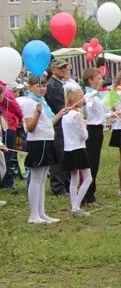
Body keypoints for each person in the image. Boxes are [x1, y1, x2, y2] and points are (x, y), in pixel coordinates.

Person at [21, 75, 66, 223]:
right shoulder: (29, 102)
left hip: (47, 141)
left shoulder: (42, 102)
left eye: (44, 85)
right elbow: (30, 128)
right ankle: (33, 215)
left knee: (42, 179)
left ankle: (41, 213)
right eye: (38, 85)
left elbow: (48, 123)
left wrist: (60, 113)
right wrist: (37, 114)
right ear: (30, 87)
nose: (42, 88)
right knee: (36, 178)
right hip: (37, 143)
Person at [45, 58, 76, 196]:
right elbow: (60, 106)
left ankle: (66, 183)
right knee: (58, 155)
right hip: (58, 124)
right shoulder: (53, 85)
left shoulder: (60, 83)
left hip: (63, 123)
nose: (64, 69)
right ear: (53, 69)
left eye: (65, 67)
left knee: (65, 154)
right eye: (60, 67)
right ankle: (58, 186)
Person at [62, 87, 92, 217]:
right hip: (79, 149)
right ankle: (76, 206)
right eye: (81, 97)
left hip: (69, 149)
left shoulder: (65, 116)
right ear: (75, 99)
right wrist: (85, 127)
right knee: (88, 178)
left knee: (74, 179)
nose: (83, 100)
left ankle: (74, 205)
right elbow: (83, 136)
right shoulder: (77, 115)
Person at [82, 68, 106, 207]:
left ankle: (89, 192)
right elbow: (87, 114)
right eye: (98, 78)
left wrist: (111, 115)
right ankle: (89, 195)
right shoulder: (89, 96)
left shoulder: (96, 95)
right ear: (90, 80)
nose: (101, 80)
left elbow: (99, 116)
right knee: (92, 163)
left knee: (94, 161)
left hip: (97, 129)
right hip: (92, 130)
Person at [0, 81, 22, 191]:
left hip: (7, 122)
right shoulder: (4, 88)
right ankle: (7, 182)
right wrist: (21, 116)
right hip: (8, 124)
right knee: (7, 154)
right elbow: (15, 106)